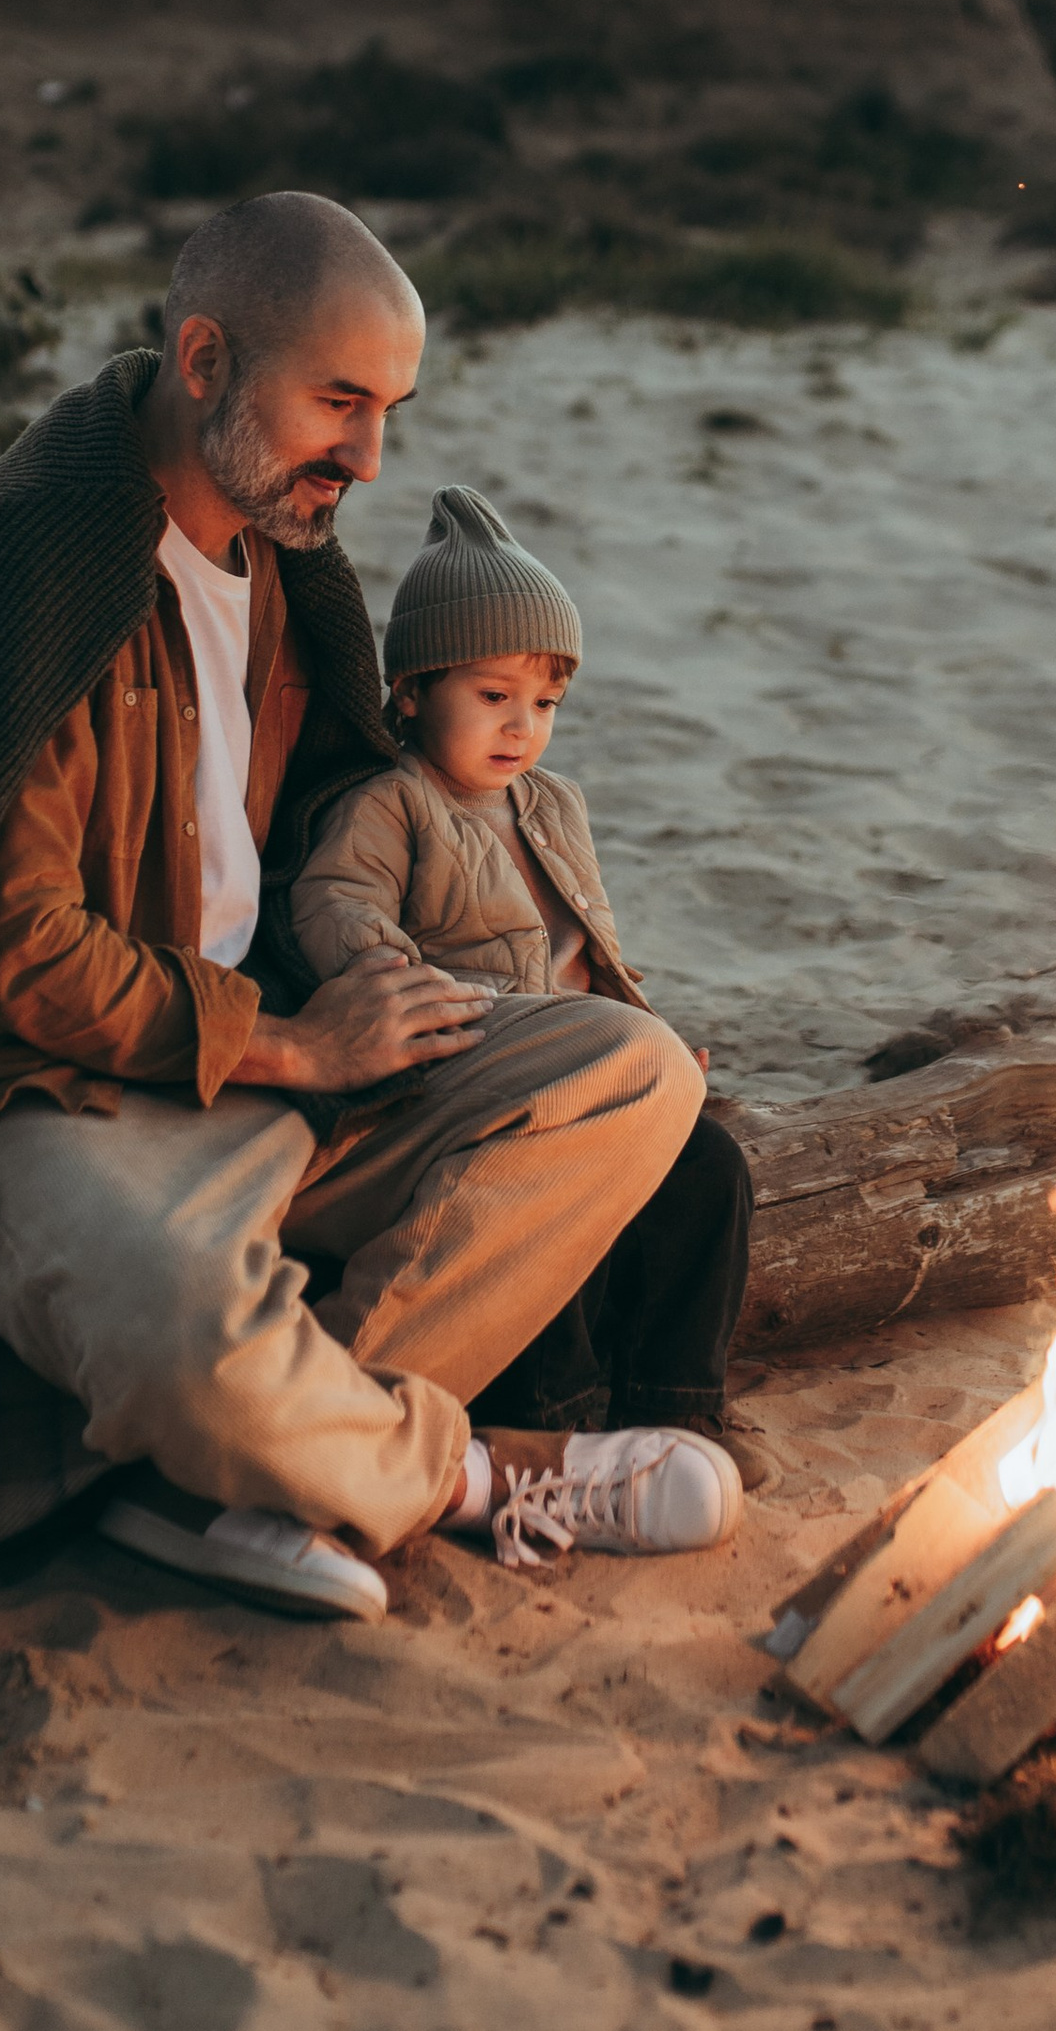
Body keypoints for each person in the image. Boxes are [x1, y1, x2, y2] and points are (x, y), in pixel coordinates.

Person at [0, 190, 743, 1625]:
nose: (369, 458)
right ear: (204, 361)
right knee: (191, 1333)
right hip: (38, 1094)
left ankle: (256, 1475)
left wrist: (387, 1009)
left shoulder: (285, 571)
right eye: (339, 402)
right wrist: (300, 1048)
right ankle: (474, 1474)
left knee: (635, 1071)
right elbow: (14, 955)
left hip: (268, 1069)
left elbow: (344, 839)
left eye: (390, 412)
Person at [290, 485, 756, 1473]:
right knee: (535, 1196)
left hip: (582, 1062)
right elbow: (334, 900)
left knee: (709, 1169)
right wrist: (391, 972)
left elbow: (590, 950)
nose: (522, 727)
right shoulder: (394, 805)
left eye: (544, 703)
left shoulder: (553, 805)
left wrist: (648, 1035)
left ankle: (677, 1410)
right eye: (493, 697)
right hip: (465, 1075)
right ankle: (554, 1417)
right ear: (412, 692)